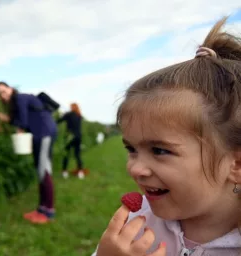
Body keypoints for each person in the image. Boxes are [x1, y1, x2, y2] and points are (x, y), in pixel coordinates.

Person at [91, 17, 241, 256]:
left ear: (236, 164)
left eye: (159, 150)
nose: (136, 169)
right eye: (131, 149)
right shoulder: (134, 228)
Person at [0, 82, 57, 224]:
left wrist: (17, 126)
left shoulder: (20, 98)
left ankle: (48, 211)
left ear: (10, 89)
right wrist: (10, 120)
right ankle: (41, 209)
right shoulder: (19, 101)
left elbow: (22, 121)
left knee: (44, 170)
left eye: (3, 91)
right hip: (39, 134)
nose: (3, 96)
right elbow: (23, 120)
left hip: (43, 133)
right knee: (40, 169)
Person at [57, 103, 88, 179]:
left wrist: (62, 115)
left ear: (72, 107)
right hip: (78, 137)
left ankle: (64, 172)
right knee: (77, 154)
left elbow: (58, 121)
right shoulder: (79, 116)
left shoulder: (68, 114)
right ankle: (80, 172)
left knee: (66, 154)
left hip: (69, 136)